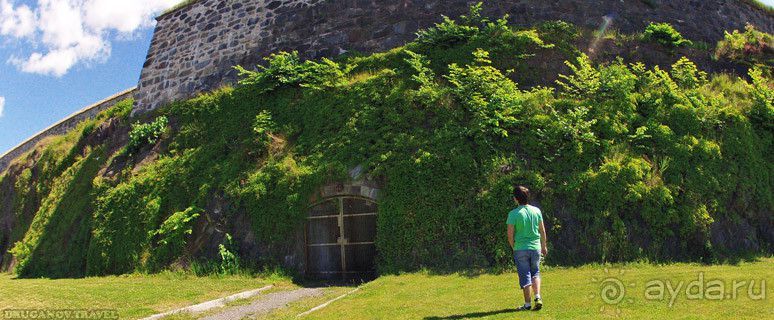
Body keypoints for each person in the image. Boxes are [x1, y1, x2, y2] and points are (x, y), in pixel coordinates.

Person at [506, 185, 547, 311]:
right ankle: (538, 297)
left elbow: (510, 235)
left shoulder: (513, 214)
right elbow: (542, 231)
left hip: (520, 248)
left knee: (525, 275)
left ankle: (527, 304)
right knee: (536, 272)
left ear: (516, 199)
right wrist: (544, 246)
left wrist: (514, 247)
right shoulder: (536, 211)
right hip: (535, 247)